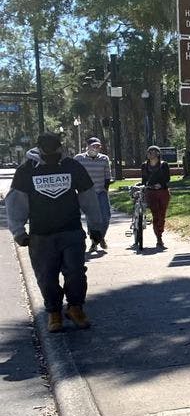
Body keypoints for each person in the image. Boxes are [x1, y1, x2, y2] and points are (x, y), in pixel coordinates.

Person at [6, 133, 104, 332]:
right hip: (41, 236)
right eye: (47, 149)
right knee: (46, 277)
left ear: (61, 147)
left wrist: (95, 227)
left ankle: (75, 308)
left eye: (55, 148)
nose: (52, 152)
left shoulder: (72, 166)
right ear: (40, 148)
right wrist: (18, 231)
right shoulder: (26, 171)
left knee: (76, 273)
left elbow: (88, 197)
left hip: (71, 232)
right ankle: (54, 313)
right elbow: (16, 202)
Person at [74, 137, 112, 251]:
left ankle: (100, 237)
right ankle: (94, 241)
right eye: (94, 146)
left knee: (106, 216)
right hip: (86, 193)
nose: (96, 148)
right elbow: (74, 175)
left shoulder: (104, 159)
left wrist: (105, 188)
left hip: (101, 192)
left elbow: (107, 176)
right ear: (88, 147)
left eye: (98, 146)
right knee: (91, 219)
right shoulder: (79, 158)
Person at [140, 146, 171, 250]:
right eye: (149, 152)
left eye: (153, 152)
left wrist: (160, 185)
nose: (150, 154)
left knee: (162, 215)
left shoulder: (164, 165)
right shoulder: (144, 166)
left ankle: (160, 233)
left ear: (158, 154)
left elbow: (167, 178)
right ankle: (159, 237)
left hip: (163, 192)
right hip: (151, 192)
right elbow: (144, 179)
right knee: (155, 214)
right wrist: (144, 186)